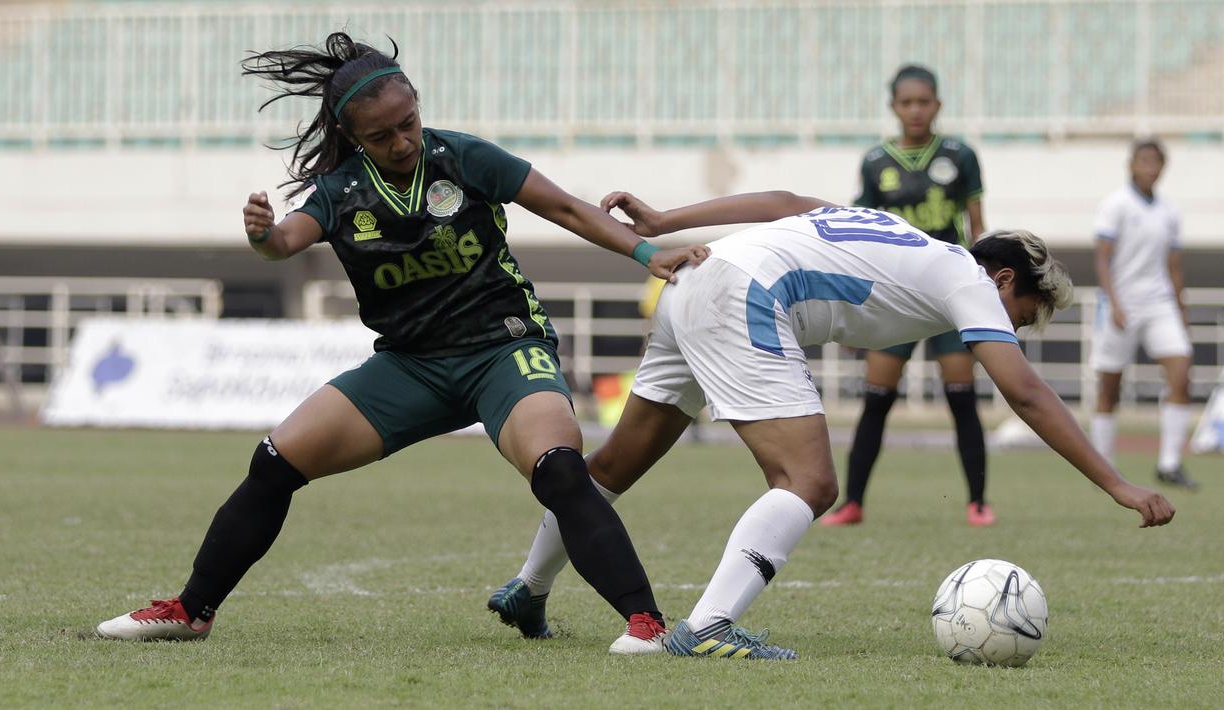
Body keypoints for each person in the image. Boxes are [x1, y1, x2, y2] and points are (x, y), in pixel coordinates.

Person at [94, 32, 710, 654]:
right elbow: (284, 244)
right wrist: (262, 236)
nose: (401, 142)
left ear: (418, 106)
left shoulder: (464, 157)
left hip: (503, 349)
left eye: (408, 123)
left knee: (558, 469)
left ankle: (647, 625)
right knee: (274, 462)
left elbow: (569, 210)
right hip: (411, 367)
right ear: (351, 136)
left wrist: (646, 251)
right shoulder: (340, 192)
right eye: (381, 136)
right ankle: (191, 610)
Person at [489, 190, 1176, 660]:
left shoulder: (902, 237)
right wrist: (1115, 484)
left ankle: (529, 589)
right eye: (1020, 314)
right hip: (745, 296)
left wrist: (668, 218)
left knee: (613, 468)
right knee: (810, 481)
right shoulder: (966, 279)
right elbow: (1023, 392)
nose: (1009, 328)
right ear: (1001, 280)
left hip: (696, 281)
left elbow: (784, 204)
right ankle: (708, 626)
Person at [822, 64, 994, 528]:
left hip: (947, 295)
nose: (915, 110)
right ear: (894, 107)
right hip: (893, 294)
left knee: (962, 397)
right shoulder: (877, 161)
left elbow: (977, 226)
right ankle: (853, 502)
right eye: (906, 102)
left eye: (924, 102)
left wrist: (982, 281)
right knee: (876, 399)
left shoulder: (960, 155)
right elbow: (860, 233)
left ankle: (978, 502)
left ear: (937, 104)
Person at [1090, 139, 1198, 489]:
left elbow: (1175, 265)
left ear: (1163, 167)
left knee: (1181, 370)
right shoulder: (1115, 205)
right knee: (1110, 386)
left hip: (1159, 303)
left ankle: (1169, 463)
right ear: (1131, 164)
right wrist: (1115, 303)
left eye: (1156, 161)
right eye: (1143, 160)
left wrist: (1181, 309)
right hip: (1121, 303)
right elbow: (1103, 259)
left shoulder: (1169, 211)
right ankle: (1103, 466)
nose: (1150, 167)